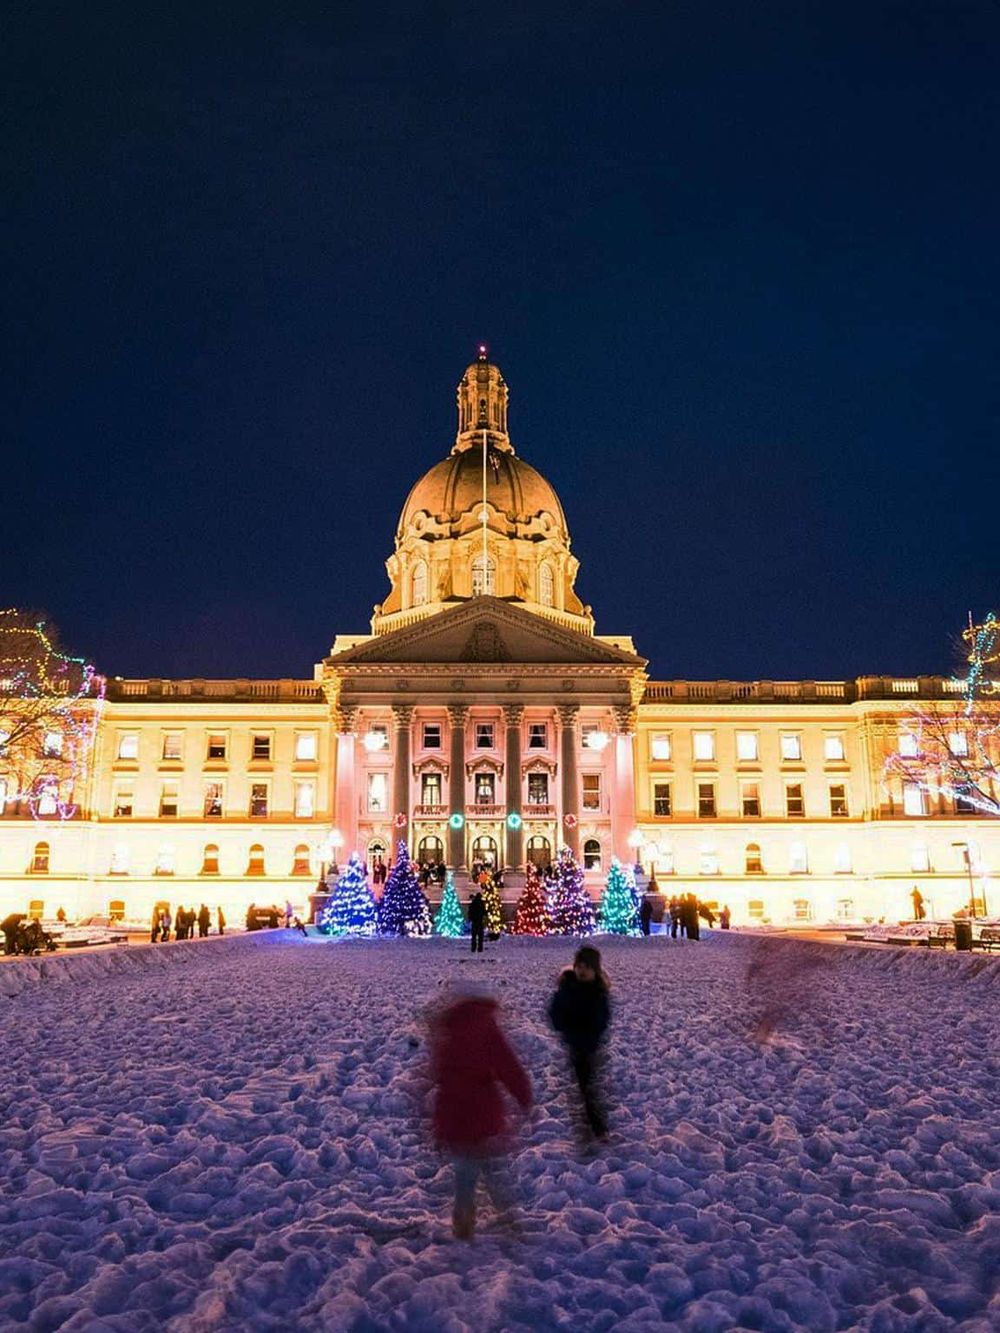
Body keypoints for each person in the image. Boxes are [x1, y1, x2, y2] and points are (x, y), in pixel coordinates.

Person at [430, 978, 532, 1239]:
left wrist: (438, 1122)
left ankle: (462, 1219)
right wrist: (524, 1095)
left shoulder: (448, 1029)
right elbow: (507, 1065)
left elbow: (436, 1073)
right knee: (493, 1169)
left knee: (464, 1171)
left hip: (454, 1112)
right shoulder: (487, 1029)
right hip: (482, 1111)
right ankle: (508, 1217)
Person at [548, 945, 611, 1141]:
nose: (582, 971)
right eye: (579, 966)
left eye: (587, 967)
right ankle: (590, 1126)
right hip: (575, 1044)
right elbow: (555, 1011)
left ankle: (596, 1127)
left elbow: (603, 1017)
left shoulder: (598, 991)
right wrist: (565, 1026)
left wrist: (592, 1030)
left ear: (595, 970)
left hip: (591, 1045)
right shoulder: (568, 987)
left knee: (589, 1087)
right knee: (584, 1087)